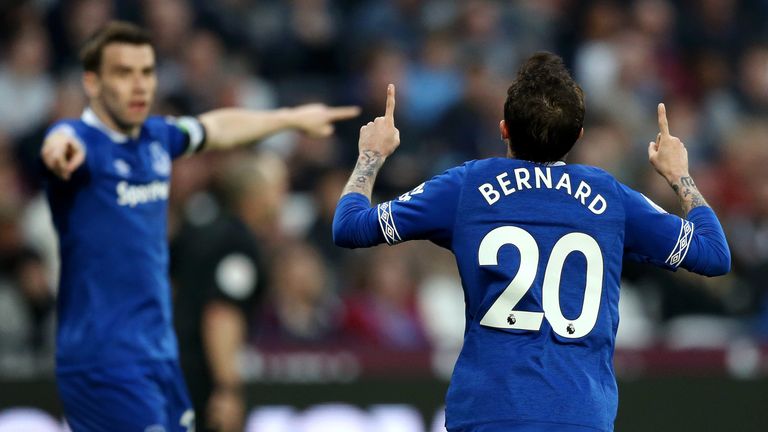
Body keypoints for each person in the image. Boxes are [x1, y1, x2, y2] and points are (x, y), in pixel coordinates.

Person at [333, 52, 730, 432]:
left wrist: (370, 156)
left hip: (489, 412)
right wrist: (679, 176)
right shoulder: (610, 197)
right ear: (577, 136)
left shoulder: (467, 186)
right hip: (579, 414)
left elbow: (349, 226)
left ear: (503, 128)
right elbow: (714, 254)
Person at [39, 21, 359, 432]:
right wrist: (60, 150)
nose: (139, 85)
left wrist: (291, 118)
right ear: (93, 82)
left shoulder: (156, 139)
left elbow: (218, 128)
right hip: (105, 358)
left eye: (147, 72)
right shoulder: (81, 142)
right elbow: (62, 141)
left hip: (157, 353)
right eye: (123, 73)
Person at [171, 153, 287, 432]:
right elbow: (222, 314)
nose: (282, 199)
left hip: (166, 370)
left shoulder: (197, 231)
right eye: (277, 189)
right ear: (254, 196)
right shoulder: (238, 245)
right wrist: (227, 390)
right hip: (199, 379)